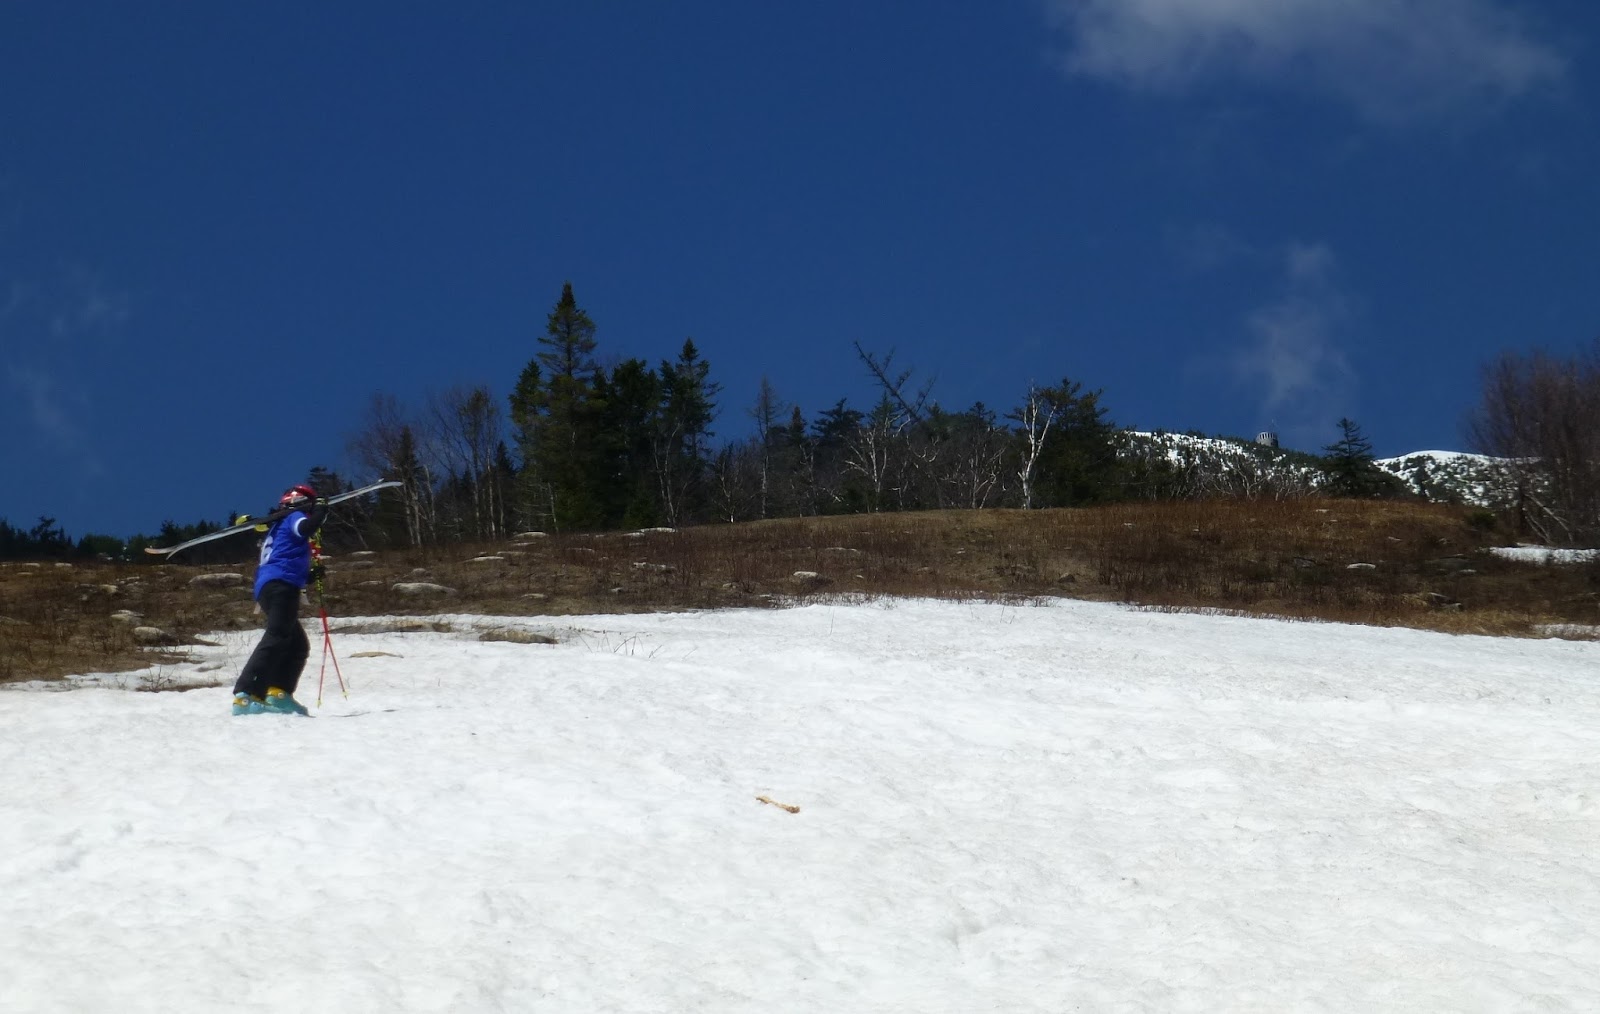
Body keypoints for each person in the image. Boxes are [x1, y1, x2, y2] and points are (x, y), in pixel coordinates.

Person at [232, 483, 329, 716]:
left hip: (275, 585)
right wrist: (321, 510)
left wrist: (308, 575)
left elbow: (283, 558)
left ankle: (278, 693)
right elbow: (307, 527)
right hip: (280, 586)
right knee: (276, 637)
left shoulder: (277, 526)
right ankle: (246, 694)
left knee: (297, 644)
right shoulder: (294, 518)